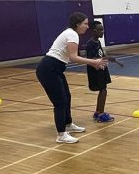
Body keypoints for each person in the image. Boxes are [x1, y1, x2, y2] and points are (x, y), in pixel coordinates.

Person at [36, 13, 107, 144]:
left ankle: (68, 124)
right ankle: (61, 135)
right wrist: (94, 62)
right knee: (60, 102)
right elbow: (74, 57)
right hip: (48, 69)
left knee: (67, 97)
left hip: (56, 69)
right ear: (77, 24)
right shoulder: (72, 34)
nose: (87, 26)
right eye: (85, 24)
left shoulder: (71, 34)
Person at [86, 21, 116, 123]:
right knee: (103, 90)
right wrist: (100, 64)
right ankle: (101, 114)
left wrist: (108, 58)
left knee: (103, 90)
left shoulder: (98, 42)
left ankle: (98, 112)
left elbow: (101, 55)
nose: (103, 31)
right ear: (94, 31)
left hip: (102, 69)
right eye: (100, 30)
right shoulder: (90, 44)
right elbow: (91, 59)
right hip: (96, 71)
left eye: (103, 29)